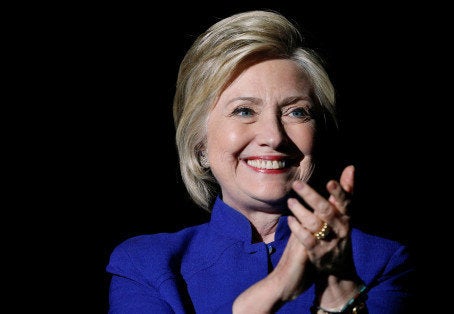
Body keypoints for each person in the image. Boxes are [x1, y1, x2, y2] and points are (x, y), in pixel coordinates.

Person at [106, 9, 415, 313]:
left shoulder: (382, 262)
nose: (274, 136)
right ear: (199, 143)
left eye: (296, 112)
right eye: (244, 111)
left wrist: (339, 296)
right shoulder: (145, 265)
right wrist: (268, 293)